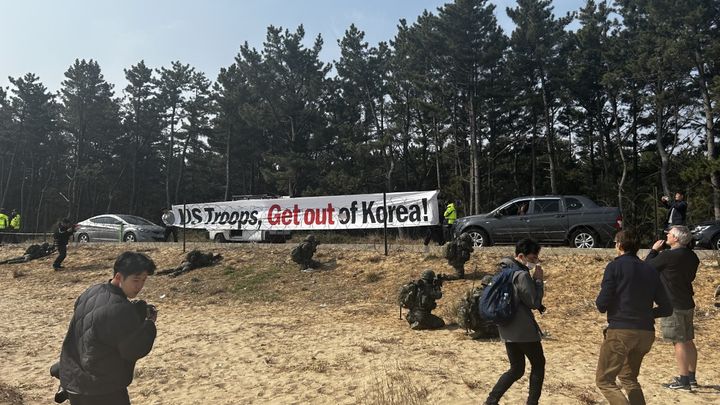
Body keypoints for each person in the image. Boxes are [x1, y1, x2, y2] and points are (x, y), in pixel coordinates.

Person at [56, 251, 157, 405]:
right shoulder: (121, 310)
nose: (140, 286)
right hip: (100, 388)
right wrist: (150, 324)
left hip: (73, 376)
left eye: (144, 280)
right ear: (118, 277)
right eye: (135, 280)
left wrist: (136, 311)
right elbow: (133, 350)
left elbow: (97, 321)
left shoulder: (92, 291)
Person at [595, 229, 673, 404]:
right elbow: (667, 308)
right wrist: (646, 313)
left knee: (605, 380)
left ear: (620, 245)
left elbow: (602, 304)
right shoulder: (650, 269)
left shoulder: (614, 266)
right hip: (646, 333)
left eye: (616, 242)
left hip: (621, 331)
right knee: (629, 378)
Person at [484, 238, 545, 405]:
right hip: (523, 330)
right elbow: (534, 302)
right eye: (532, 258)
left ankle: (491, 400)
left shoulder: (504, 271)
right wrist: (538, 281)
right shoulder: (522, 275)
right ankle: (532, 403)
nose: (535, 262)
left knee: (517, 369)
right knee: (539, 365)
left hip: (506, 326)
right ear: (521, 256)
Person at [644, 225, 700, 390]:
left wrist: (654, 250)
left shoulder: (667, 256)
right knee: (688, 340)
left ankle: (683, 381)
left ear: (676, 238)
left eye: (669, 234)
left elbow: (646, 267)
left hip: (672, 304)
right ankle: (691, 377)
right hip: (687, 302)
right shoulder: (693, 256)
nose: (666, 235)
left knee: (678, 342)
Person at [457, 275, 499, 339]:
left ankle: (480, 331)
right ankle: (484, 332)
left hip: (472, 324)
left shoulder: (473, 293)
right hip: (485, 325)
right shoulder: (488, 296)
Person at [156, 249, 222, 277]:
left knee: (174, 269)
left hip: (186, 263)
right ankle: (173, 274)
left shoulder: (198, 254)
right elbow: (207, 264)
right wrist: (212, 263)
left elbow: (187, 257)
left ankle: (161, 272)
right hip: (190, 265)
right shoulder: (204, 258)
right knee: (182, 271)